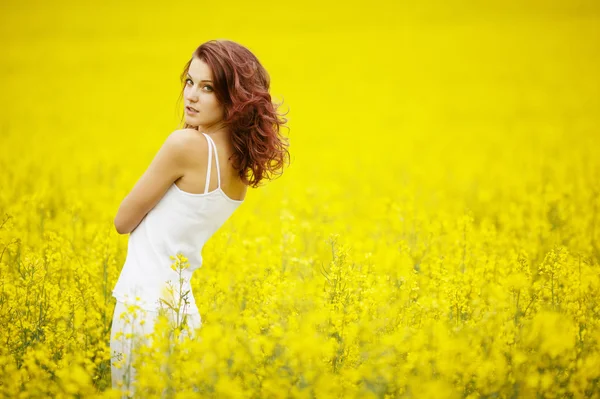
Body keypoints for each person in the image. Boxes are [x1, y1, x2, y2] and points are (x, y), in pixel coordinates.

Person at [109, 39, 290, 395]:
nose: (191, 95)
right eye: (189, 82)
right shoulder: (240, 164)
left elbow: (123, 220)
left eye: (207, 88)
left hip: (143, 308)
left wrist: (188, 135)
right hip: (182, 311)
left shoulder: (185, 145)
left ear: (233, 99)